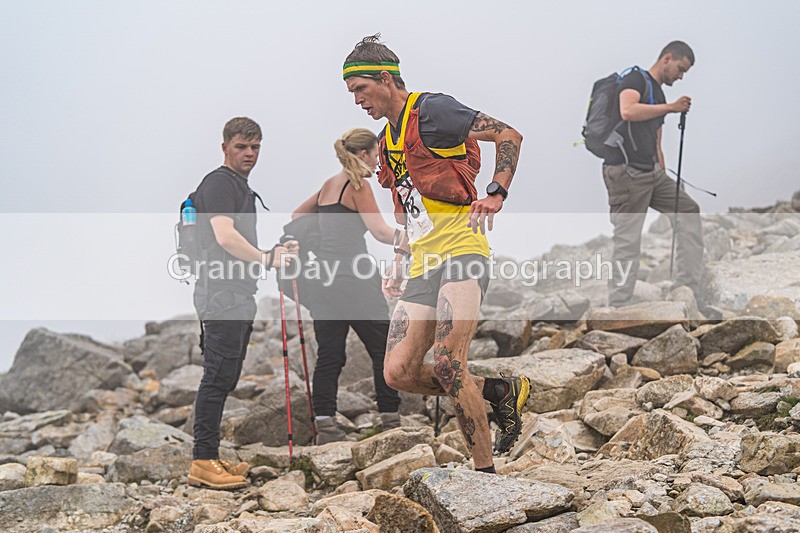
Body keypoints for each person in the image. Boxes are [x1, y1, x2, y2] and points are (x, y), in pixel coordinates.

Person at [342, 34, 529, 472]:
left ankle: (485, 476)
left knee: (449, 363)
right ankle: (499, 392)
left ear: (385, 79)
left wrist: (497, 193)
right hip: (423, 262)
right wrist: (399, 260)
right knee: (399, 373)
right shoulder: (388, 139)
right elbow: (409, 211)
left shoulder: (431, 110)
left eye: (360, 90)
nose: (356, 101)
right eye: (351, 94)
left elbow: (508, 134)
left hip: (463, 249)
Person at [188, 117, 296, 489]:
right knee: (216, 378)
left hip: (235, 292)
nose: (249, 153)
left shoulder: (237, 186)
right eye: (241, 147)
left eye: (255, 147)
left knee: (225, 377)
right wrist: (267, 259)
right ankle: (202, 461)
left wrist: (273, 252)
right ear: (225, 148)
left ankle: (210, 455)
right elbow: (224, 236)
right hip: (220, 292)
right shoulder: (219, 183)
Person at [292, 128, 403, 443]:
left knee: (330, 353)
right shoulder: (358, 185)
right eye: (377, 154)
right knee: (382, 349)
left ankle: (325, 424)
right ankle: (391, 420)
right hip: (356, 280)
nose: (378, 161)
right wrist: (410, 240)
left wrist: (317, 239)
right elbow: (380, 232)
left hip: (324, 281)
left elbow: (297, 214)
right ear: (366, 153)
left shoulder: (330, 185)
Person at [602, 41, 704, 307]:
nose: (680, 76)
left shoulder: (657, 92)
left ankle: (688, 289)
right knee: (628, 240)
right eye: (680, 69)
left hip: (650, 172)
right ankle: (618, 305)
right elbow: (628, 110)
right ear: (667, 58)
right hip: (625, 173)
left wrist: (662, 171)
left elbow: (656, 141)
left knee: (688, 210)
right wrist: (671, 108)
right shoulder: (635, 78)